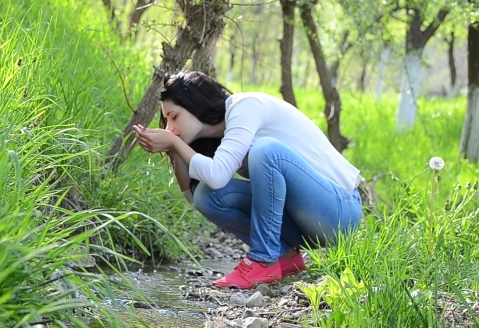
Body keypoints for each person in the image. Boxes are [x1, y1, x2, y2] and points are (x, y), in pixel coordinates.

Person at [132, 71, 362, 289]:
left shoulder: (245, 106)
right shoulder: (219, 138)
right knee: (208, 195)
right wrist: (173, 150)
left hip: (339, 211)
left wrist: (174, 143)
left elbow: (217, 173)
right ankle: (284, 257)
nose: (170, 128)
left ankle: (263, 260)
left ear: (195, 104)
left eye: (174, 117)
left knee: (267, 151)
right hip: (303, 222)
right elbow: (194, 197)